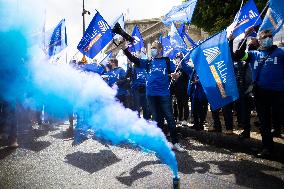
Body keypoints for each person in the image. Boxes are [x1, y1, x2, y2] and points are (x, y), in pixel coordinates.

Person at [123, 40, 185, 151]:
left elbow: (178, 72)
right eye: (151, 47)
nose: (152, 49)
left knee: (170, 118)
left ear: (160, 49)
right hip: (151, 94)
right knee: (157, 119)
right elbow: (134, 60)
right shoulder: (148, 61)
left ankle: (175, 142)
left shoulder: (167, 61)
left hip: (164, 94)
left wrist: (176, 75)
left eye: (154, 47)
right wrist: (125, 50)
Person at [233, 28, 284, 158]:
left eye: (269, 36)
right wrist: (245, 36)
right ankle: (267, 148)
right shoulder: (254, 54)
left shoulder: (280, 52)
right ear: (259, 40)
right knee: (264, 122)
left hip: (279, 93)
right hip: (261, 93)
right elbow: (239, 55)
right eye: (264, 37)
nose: (267, 39)